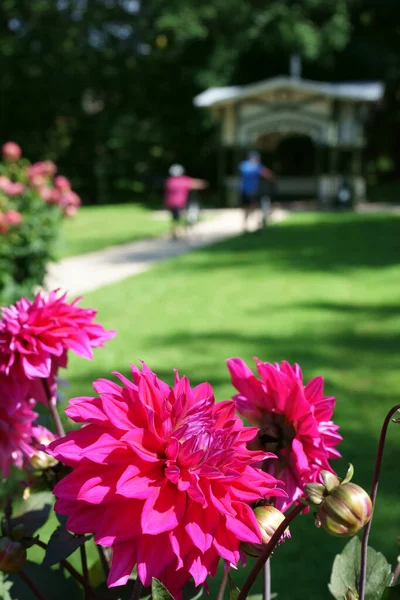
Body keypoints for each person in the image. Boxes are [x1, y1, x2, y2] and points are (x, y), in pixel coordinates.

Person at [164, 164, 207, 239]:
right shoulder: (183, 180)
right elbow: (195, 184)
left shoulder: (170, 181)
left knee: (175, 219)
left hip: (171, 203)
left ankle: (175, 233)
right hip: (181, 203)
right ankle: (184, 233)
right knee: (185, 218)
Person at [239, 151, 275, 231]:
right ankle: (257, 224)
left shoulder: (243, 165)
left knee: (247, 209)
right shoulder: (256, 166)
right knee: (253, 207)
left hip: (244, 190)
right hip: (252, 191)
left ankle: (246, 226)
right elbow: (268, 175)